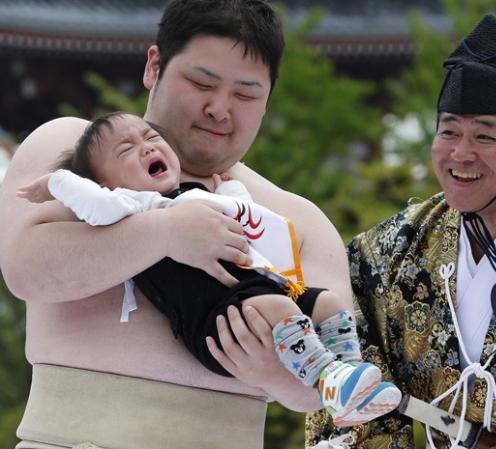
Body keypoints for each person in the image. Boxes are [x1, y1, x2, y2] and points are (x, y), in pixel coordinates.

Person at [0, 1, 355, 448]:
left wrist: (278, 378)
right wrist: (164, 232)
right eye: (201, 82)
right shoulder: (73, 157)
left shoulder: (298, 219)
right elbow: (25, 268)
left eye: (245, 95)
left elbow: (334, 377)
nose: (220, 109)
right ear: (154, 67)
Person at [306, 13, 496, 449]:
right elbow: (346, 385)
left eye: (485, 137)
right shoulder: (386, 252)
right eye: (449, 132)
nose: (460, 154)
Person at [17, 111, 402, 427]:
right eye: (127, 149)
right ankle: (329, 380)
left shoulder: (196, 195)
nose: (146, 146)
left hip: (258, 291)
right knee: (282, 310)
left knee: (329, 303)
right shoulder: (130, 206)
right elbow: (93, 204)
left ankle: (348, 374)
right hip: (215, 319)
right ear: (106, 181)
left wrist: (230, 190)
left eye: (150, 137)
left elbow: (243, 214)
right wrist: (59, 182)